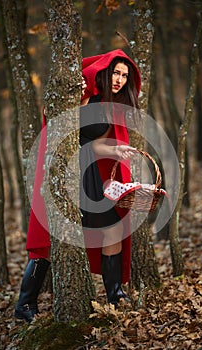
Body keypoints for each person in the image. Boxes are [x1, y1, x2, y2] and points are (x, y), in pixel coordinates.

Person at [14, 49, 141, 323]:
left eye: (124, 75)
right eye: (116, 72)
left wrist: (115, 151)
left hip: (89, 172)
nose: (119, 79)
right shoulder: (85, 94)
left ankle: (114, 294)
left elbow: (92, 145)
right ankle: (24, 304)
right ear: (106, 72)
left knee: (113, 229)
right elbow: (59, 123)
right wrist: (76, 96)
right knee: (53, 236)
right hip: (65, 171)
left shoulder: (111, 107)